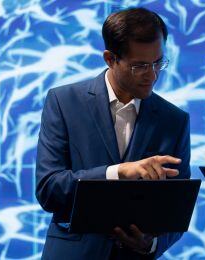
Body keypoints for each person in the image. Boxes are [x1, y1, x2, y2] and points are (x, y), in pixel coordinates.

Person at [35, 7, 190, 259]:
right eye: (139, 66)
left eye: (158, 63)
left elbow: (177, 212)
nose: (152, 75)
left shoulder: (175, 120)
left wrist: (150, 244)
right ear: (110, 58)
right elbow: (49, 189)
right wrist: (118, 172)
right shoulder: (64, 102)